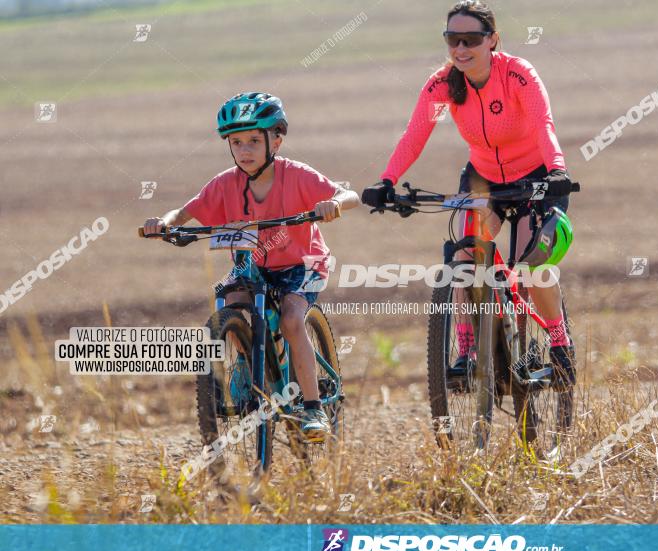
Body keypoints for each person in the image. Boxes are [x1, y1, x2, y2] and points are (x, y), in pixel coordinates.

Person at [361, 0, 577, 389]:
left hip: (536, 176)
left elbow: (543, 123)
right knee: (463, 260)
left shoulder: (517, 73)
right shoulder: (443, 84)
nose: (461, 49)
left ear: (492, 39)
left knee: (532, 263)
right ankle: (467, 352)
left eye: (471, 39)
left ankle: (560, 344)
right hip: (484, 180)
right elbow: (414, 136)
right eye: (452, 40)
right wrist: (387, 180)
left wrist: (557, 169)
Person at [143, 92, 360, 440]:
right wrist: (164, 223)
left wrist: (332, 204)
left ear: (276, 139)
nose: (245, 151)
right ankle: (247, 366)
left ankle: (313, 407)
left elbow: (350, 195)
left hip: (302, 264)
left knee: (291, 320)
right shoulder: (225, 183)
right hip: (254, 267)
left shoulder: (296, 175)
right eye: (237, 142)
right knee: (231, 305)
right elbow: (184, 213)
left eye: (254, 141)